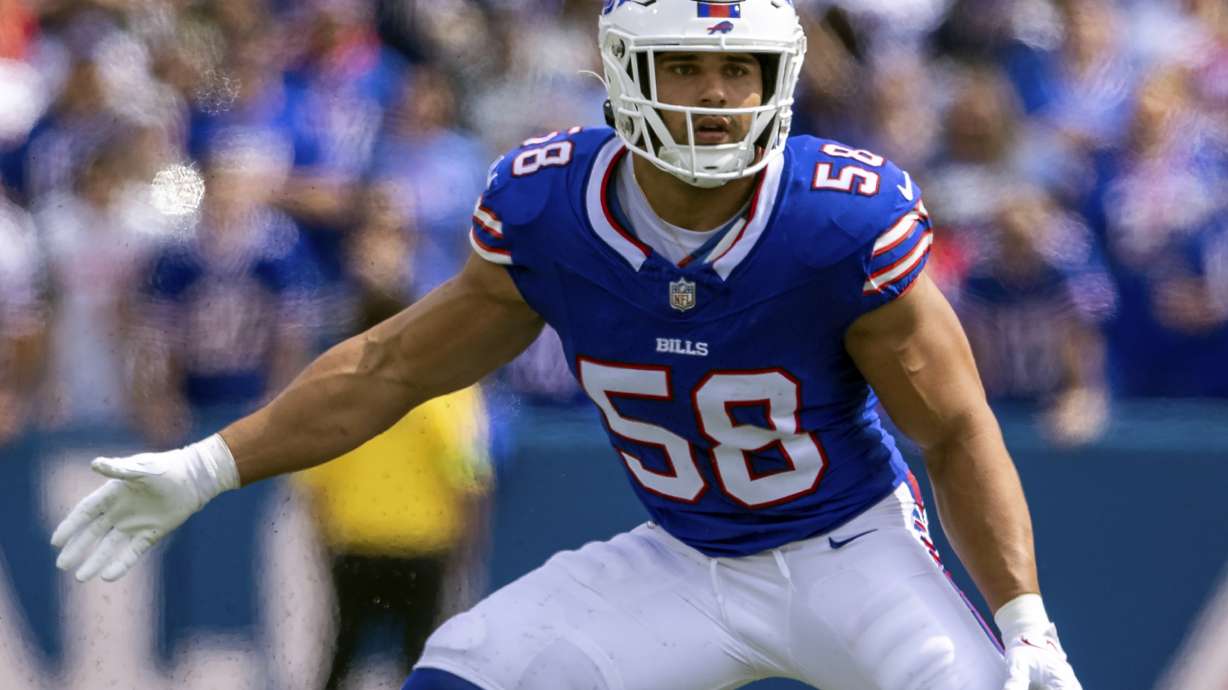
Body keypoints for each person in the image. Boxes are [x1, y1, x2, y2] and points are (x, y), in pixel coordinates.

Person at [50, 2, 1084, 689]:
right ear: (625, 68)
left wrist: (1027, 620)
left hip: (853, 551)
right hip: (679, 556)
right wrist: (205, 466)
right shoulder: (550, 208)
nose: (719, 94)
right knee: (461, 669)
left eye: (742, 67)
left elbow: (952, 430)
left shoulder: (837, 218)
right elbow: (392, 364)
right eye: (688, 63)